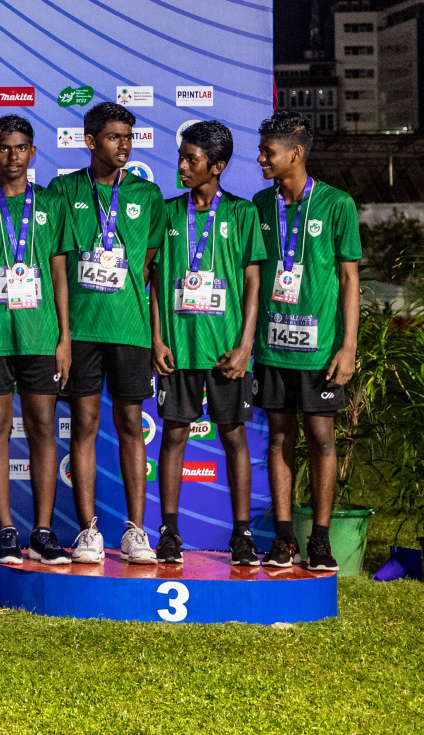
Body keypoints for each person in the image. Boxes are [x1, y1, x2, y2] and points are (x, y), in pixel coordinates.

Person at [0, 116, 72, 564]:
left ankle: (42, 532)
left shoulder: (52, 205)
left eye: (21, 148)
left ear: (33, 152)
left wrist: (65, 339)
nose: (13, 156)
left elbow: (59, 273)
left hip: (41, 337)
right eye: (4, 148)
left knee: (43, 427)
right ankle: (4, 530)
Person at [51, 101, 165, 564]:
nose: (123, 145)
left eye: (128, 137)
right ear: (91, 140)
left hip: (130, 330)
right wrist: (60, 335)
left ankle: (136, 532)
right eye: (114, 137)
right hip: (80, 329)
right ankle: (88, 532)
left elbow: (148, 268)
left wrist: (156, 337)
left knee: (131, 427)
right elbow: (56, 261)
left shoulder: (147, 195)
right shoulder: (62, 190)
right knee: (84, 426)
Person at [149, 121, 264, 568]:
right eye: (180, 156)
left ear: (216, 166)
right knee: (174, 435)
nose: (181, 165)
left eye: (191, 159)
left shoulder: (241, 213)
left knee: (234, 436)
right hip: (179, 348)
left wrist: (245, 345)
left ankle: (241, 535)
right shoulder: (169, 211)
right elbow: (156, 281)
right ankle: (170, 532)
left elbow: (253, 281)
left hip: (225, 350)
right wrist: (157, 338)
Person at [253, 110, 360, 572]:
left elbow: (350, 279)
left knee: (320, 437)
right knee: (278, 438)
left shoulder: (338, 204)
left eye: (268, 152)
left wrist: (348, 346)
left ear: (295, 153)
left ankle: (319, 539)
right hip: (272, 346)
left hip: (320, 351)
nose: (261, 159)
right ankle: (282, 540)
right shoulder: (258, 205)